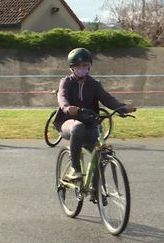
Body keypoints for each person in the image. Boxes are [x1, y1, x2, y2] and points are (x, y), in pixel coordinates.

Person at [54, 47, 136, 200]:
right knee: (77, 127)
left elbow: (108, 99)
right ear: (72, 67)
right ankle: (75, 168)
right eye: (78, 66)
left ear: (89, 66)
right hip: (67, 123)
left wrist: (122, 107)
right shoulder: (66, 82)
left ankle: (94, 189)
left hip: (90, 123)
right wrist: (66, 108)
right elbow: (62, 97)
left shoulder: (94, 84)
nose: (82, 69)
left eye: (85, 65)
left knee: (99, 154)